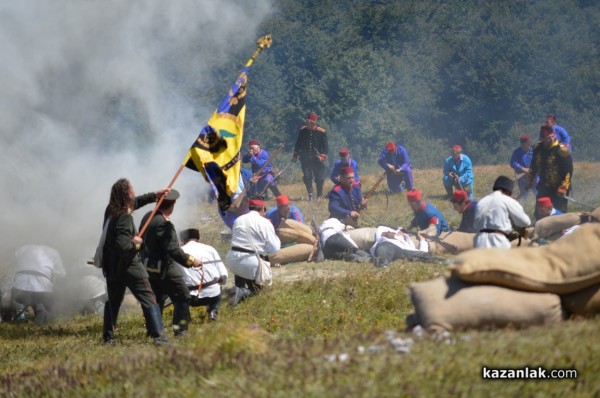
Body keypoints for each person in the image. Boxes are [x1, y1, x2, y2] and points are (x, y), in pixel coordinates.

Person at [101, 178, 170, 345]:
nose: (134, 192)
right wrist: (135, 242)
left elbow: (135, 202)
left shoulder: (111, 210)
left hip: (111, 266)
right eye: (131, 190)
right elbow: (123, 245)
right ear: (127, 193)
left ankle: (108, 338)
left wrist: (155, 195)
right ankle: (159, 337)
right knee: (149, 298)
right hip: (129, 265)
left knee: (114, 301)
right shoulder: (124, 216)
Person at [140, 189, 202, 337]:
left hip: (148, 266)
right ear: (172, 205)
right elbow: (173, 250)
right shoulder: (164, 223)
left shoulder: (148, 216)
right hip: (164, 268)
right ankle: (181, 330)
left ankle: (154, 330)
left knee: (156, 298)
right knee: (182, 295)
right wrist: (192, 261)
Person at [226, 198, 281, 306]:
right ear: (262, 209)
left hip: (232, 259)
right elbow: (275, 248)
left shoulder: (238, 220)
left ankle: (238, 289)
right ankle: (241, 292)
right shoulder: (264, 222)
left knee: (242, 265)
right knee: (259, 293)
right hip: (250, 262)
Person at [177, 228, 228, 321]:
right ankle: (213, 311)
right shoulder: (209, 249)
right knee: (218, 288)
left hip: (190, 298)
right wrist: (220, 281)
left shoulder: (178, 253)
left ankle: (186, 317)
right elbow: (223, 275)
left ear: (182, 241)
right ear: (198, 239)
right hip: (212, 295)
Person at [11, 245, 65, 324]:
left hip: (20, 287)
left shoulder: (21, 249)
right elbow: (62, 273)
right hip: (43, 289)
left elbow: (14, 269)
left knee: (21, 300)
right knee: (48, 305)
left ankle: (24, 313)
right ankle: (41, 311)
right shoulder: (53, 252)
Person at [473, 176, 531, 248]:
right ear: (508, 191)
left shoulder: (481, 201)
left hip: (479, 241)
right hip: (497, 241)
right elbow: (525, 222)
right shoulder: (507, 200)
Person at [528, 124, 573, 214]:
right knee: (540, 214)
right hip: (544, 187)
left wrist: (563, 188)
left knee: (558, 216)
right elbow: (534, 166)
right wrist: (530, 179)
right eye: (549, 137)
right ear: (543, 138)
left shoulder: (562, 151)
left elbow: (568, 172)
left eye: (553, 136)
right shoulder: (538, 148)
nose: (552, 139)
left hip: (558, 188)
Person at [292, 113, 329, 201]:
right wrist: (295, 155)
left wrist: (322, 156)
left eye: (310, 123)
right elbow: (298, 143)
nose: (308, 125)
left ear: (314, 123)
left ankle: (319, 195)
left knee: (319, 178)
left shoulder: (321, 132)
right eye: (307, 123)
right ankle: (311, 195)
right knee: (307, 177)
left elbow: (325, 146)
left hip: (317, 160)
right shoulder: (303, 131)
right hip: (305, 159)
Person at [369, 227, 443, 268]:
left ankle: (443, 261)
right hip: (386, 245)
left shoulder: (409, 243)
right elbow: (380, 232)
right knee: (382, 250)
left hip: (401, 251)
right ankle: (382, 265)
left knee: (421, 255)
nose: (401, 231)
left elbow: (422, 252)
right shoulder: (387, 232)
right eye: (401, 230)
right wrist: (394, 235)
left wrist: (422, 240)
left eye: (403, 231)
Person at [509, 134, 536, 201]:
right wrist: (523, 169)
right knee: (524, 195)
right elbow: (513, 162)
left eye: (524, 143)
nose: (522, 145)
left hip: (534, 175)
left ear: (529, 143)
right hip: (522, 177)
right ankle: (525, 206)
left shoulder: (535, 150)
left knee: (537, 193)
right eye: (521, 143)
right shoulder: (517, 151)